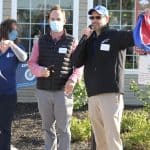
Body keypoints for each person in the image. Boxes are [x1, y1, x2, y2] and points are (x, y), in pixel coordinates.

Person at [72, 5, 150, 150]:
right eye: (92, 17)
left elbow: (137, 35)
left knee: (112, 139)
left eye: (98, 17)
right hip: (93, 96)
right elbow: (75, 62)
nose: (94, 20)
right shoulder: (88, 41)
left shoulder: (115, 36)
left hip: (110, 95)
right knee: (100, 142)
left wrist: (146, 19)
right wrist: (83, 39)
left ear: (106, 19)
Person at [28, 5, 83, 150]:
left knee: (64, 129)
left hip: (63, 92)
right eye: (52, 18)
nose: (55, 21)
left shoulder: (72, 41)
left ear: (64, 20)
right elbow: (32, 63)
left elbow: (78, 65)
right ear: (48, 20)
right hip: (43, 91)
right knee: (47, 128)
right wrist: (41, 71)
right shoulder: (40, 41)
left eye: (58, 18)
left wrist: (73, 79)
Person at [0, 18, 27, 150]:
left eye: (16, 30)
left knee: (5, 127)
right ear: (4, 30)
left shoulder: (16, 47)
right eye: (12, 30)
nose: (15, 32)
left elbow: (24, 57)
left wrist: (11, 44)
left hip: (8, 95)